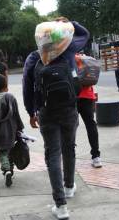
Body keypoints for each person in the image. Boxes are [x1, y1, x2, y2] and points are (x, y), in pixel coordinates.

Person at [23, 18, 89, 219]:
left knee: (53, 153)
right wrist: (71, 22)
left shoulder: (34, 58)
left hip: (46, 111)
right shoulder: (68, 49)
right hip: (69, 109)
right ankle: (69, 187)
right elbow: (84, 34)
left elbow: (27, 86)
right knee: (69, 148)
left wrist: (30, 112)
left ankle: (60, 206)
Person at [0, 75, 24, 187]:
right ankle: (10, 170)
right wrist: (19, 128)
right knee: (11, 149)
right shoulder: (11, 97)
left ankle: (6, 170)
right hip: (11, 129)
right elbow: (16, 114)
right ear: (6, 86)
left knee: (2, 152)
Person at [77, 84, 102, 168]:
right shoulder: (83, 69)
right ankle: (96, 156)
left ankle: (68, 156)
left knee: (70, 126)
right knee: (91, 125)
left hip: (71, 95)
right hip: (87, 96)